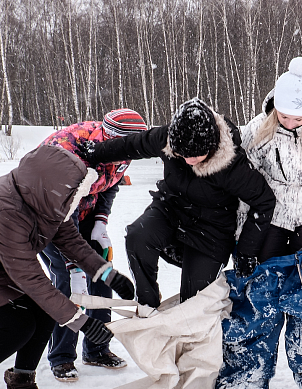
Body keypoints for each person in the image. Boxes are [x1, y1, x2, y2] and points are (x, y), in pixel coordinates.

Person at [0, 144, 134, 389]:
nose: (74, 201)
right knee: (18, 325)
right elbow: (29, 277)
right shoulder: (7, 210)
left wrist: (107, 273)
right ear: (49, 186)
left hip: (1, 263)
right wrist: (82, 322)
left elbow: (71, 241)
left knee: (43, 314)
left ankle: (22, 385)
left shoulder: (50, 198)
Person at [218, 57, 302, 389]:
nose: (290, 122)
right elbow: (243, 191)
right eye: (285, 116)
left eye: (298, 117)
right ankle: (247, 379)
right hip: (267, 226)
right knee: (258, 303)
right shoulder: (257, 129)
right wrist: (243, 242)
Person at [78, 97, 276, 312]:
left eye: (197, 156)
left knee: (193, 304)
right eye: (183, 155)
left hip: (212, 230)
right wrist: (95, 153)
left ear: (211, 146)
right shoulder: (168, 138)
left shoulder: (232, 164)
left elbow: (264, 202)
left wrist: (247, 251)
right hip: (170, 209)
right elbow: (133, 144)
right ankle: (147, 304)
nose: (189, 161)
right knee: (138, 236)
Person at [40, 109, 147, 382]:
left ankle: (97, 348)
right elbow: (64, 206)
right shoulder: (67, 149)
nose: (127, 158)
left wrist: (100, 222)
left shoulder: (125, 148)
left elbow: (111, 183)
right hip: (47, 217)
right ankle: (62, 356)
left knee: (102, 270)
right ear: (111, 138)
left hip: (84, 213)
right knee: (68, 278)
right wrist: (75, 263)